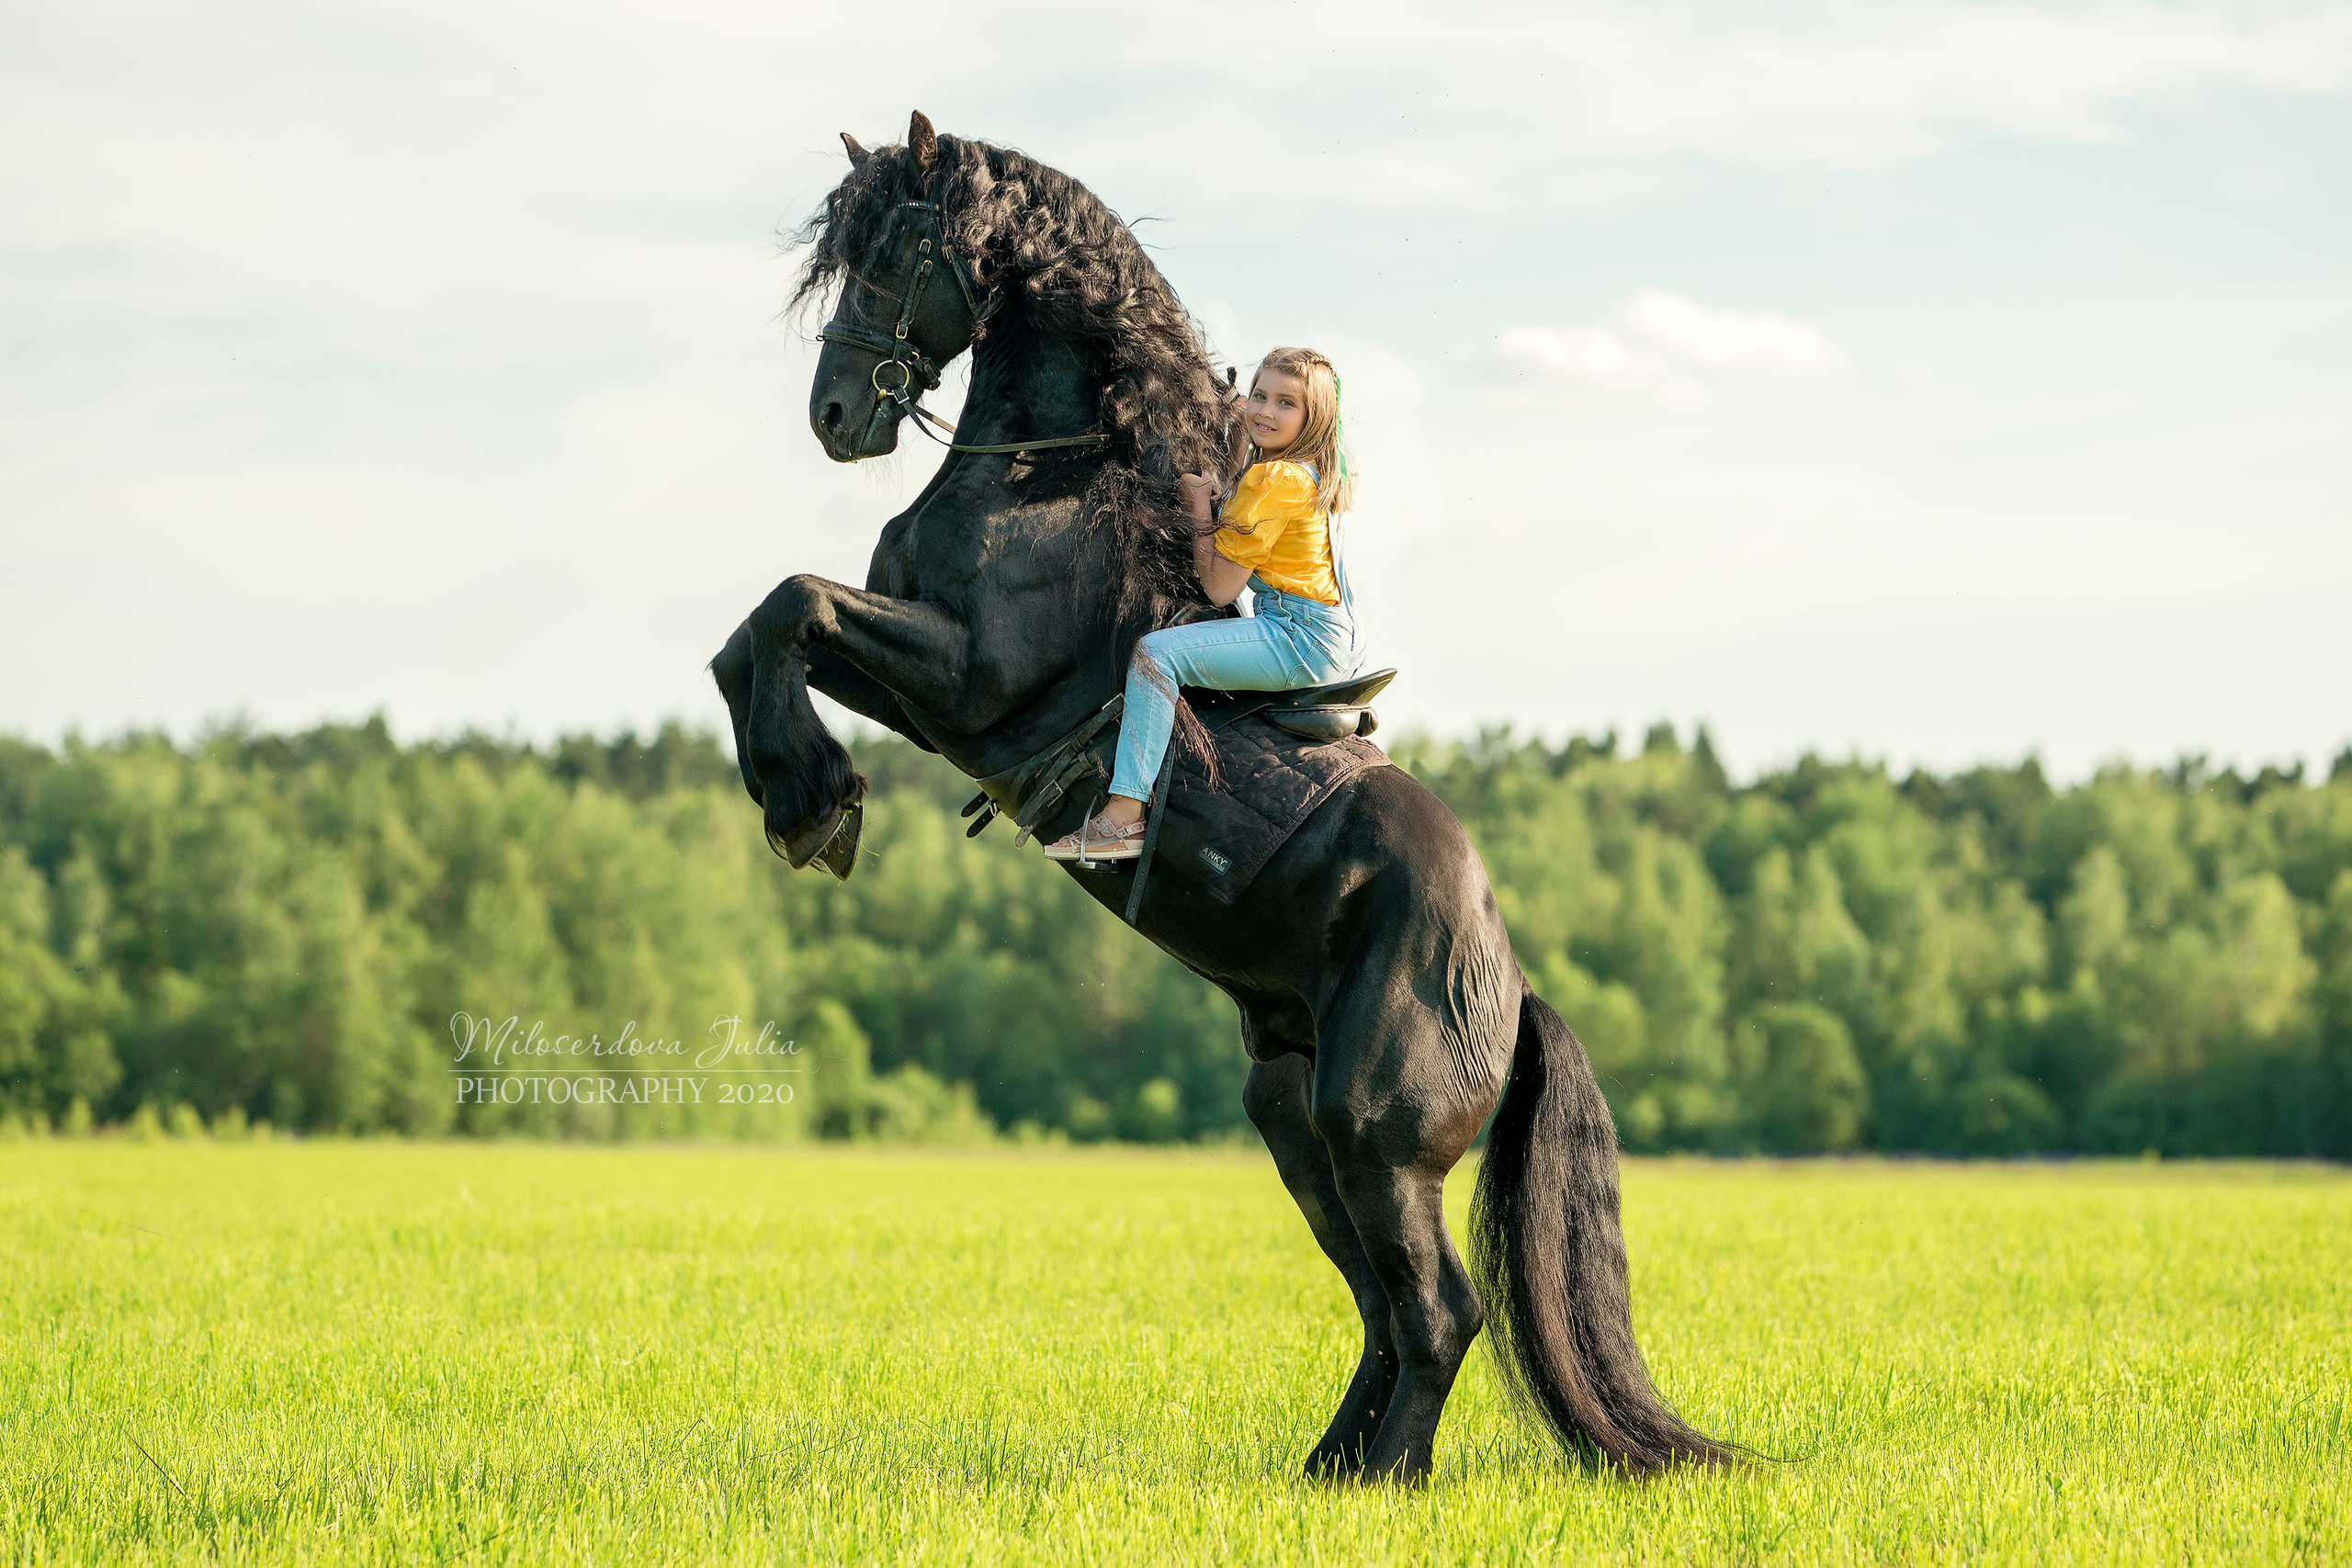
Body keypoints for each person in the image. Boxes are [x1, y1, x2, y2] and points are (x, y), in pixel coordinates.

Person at [1044, 346, 1364, 863]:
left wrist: (1198, 505)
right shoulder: (1313, 471)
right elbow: (1245, 489)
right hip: (1335, 632)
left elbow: (1218, 587)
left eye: (1286, 403)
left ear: (1313, 418)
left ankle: (1123, 817)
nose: (1264, 411)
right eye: (1259, 396)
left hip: (1299, 634)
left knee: (1155, 656)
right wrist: (1238, 444)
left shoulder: (1275, 480)